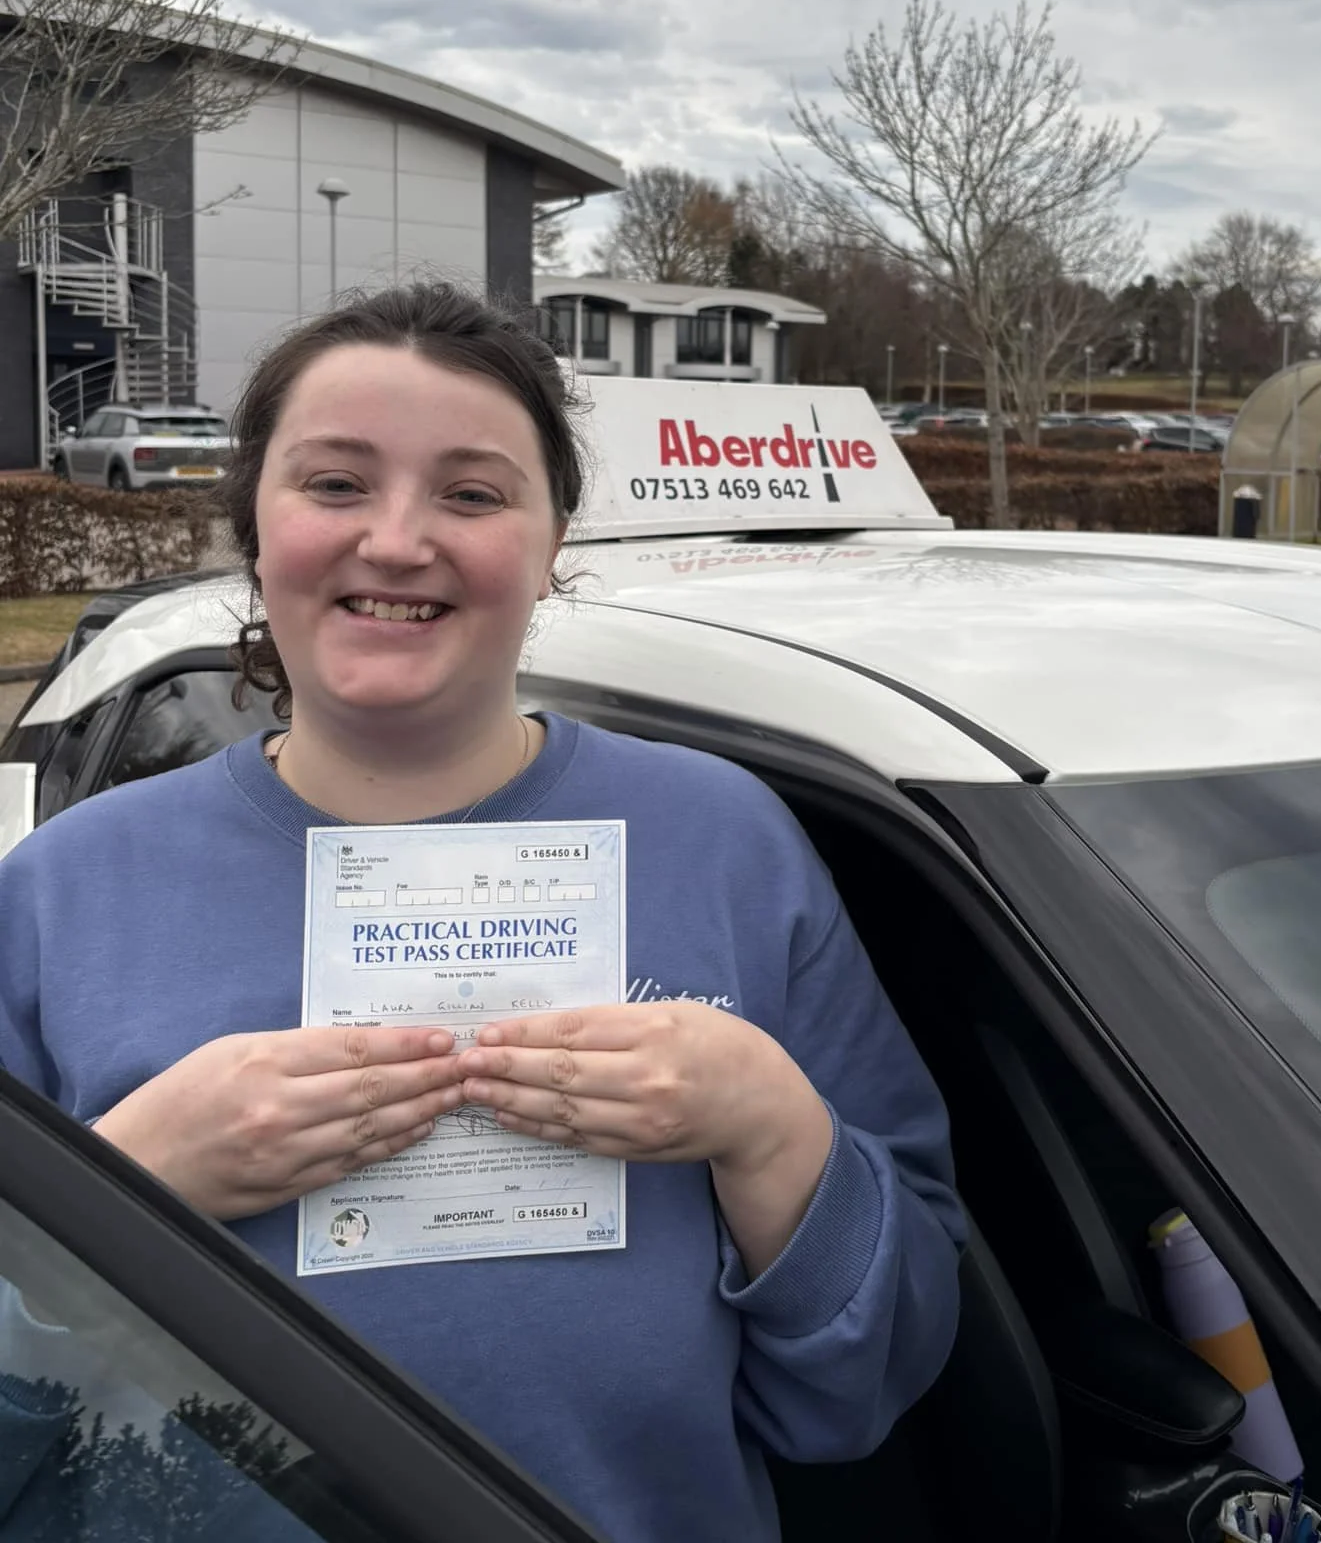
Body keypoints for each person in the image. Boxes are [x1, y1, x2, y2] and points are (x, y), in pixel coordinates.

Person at [0, 282, 964, 1543]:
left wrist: (770, 1125)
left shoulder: (726, 843)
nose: (398, 540)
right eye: (335, 483)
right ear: (254, 524)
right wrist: (115, 1199)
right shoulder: (66, 884)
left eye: (471, 492)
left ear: (553, 539)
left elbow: (887, 1372)